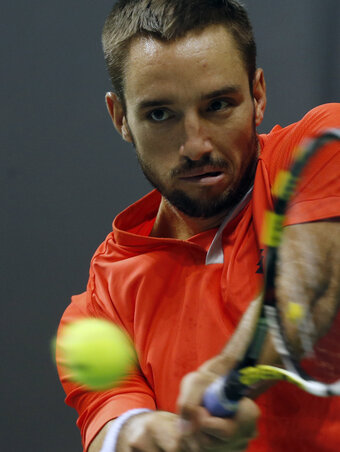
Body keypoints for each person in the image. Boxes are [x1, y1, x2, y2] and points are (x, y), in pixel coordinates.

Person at [56, 1, 340, 451]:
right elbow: (109, 424)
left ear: (258, 96)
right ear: (120, 119)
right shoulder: (101, 302)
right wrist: (140, 434)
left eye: (218, 105)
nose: (195, 145)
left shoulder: (324, 146)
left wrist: (224, 374)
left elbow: (309, 289)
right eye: (160, 115)